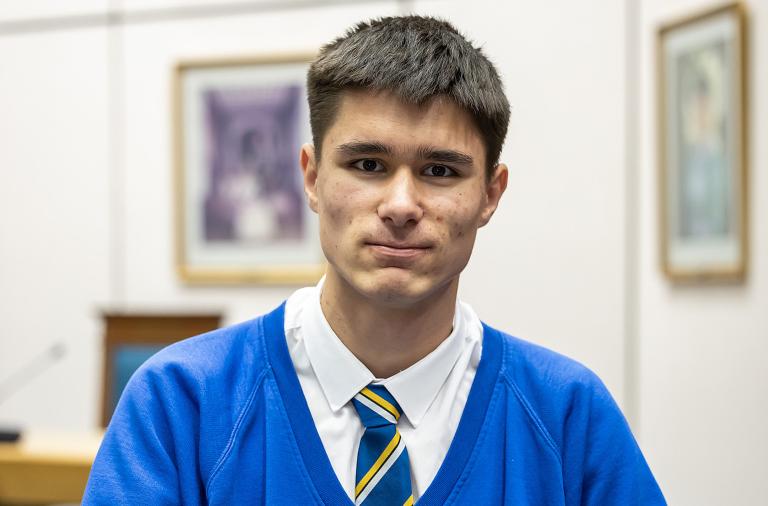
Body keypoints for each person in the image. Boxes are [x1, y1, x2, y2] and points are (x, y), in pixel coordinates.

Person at [84, 15, 665, 505]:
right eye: (368, 165)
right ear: (311, 178)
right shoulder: (181, 405)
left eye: (441, 171)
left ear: (490, 194)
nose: (401, 205)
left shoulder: (568, 418)